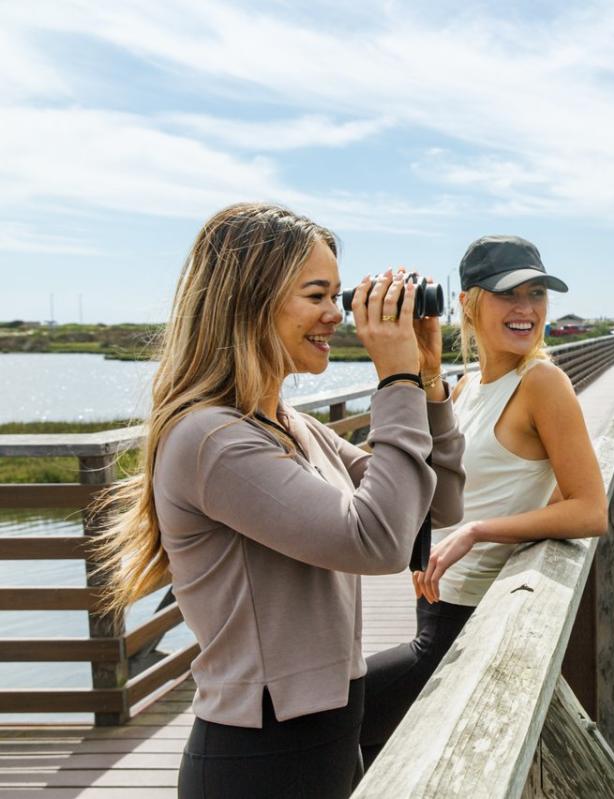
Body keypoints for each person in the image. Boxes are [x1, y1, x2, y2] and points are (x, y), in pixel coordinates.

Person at [91, 203, 465, 798]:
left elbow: (436, 504)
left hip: (327, 736)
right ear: (248, 301)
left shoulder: (291, 426)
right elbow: (380, 542)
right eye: (317, 295)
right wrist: (392, 382)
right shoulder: (211, 440)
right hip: (260, 757)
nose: (336, 316)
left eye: (341, 297)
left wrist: (425, 379)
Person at [359, 235, 607, 767]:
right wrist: (424, 361)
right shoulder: (467, 385)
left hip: (468, 620)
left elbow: (590, 509)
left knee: (337, 718)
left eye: (537, 293)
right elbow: (435, 478)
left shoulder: (543, 383)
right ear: (469, 302)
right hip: (431, 604)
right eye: (507, 294)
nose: (526, 309)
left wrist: (477, 531)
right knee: (383, 757)